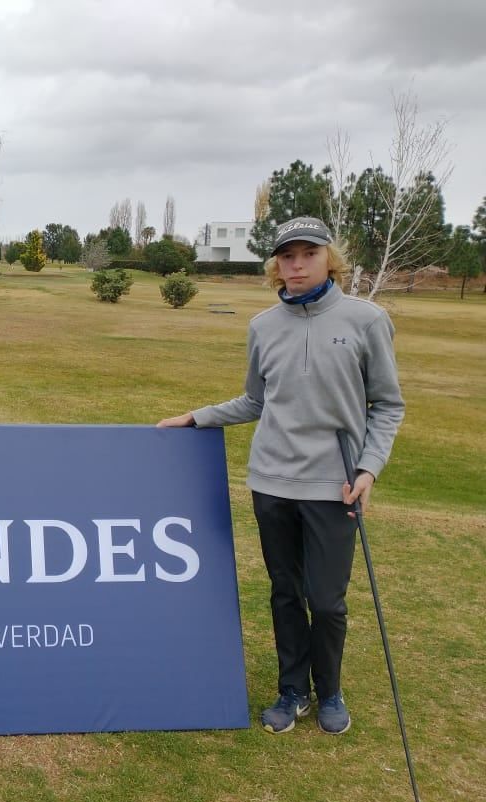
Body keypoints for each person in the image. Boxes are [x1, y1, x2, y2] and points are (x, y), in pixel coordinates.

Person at [158, 216, 404, 735]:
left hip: (334, 484)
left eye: (308, 254)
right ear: (276, 264)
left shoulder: (367, 320)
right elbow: (255, 399)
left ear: (328, 259)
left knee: (327, 599)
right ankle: (293, 689)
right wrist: (198, 416)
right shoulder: (263, 326)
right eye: (287, 256)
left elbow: (387, 404)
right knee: (285, 592)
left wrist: (369, 468)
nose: (296, 265)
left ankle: (329, 689)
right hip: (270, 481)